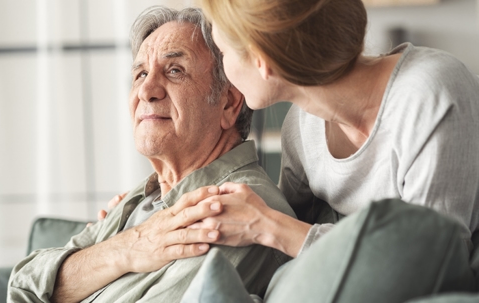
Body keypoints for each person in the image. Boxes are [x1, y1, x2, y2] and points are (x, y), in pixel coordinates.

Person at [144, 0, 478, 302]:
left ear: (261, 61)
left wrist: (268, 225)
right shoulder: (302, 128)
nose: (225, 72)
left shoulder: (431, 94)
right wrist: (146, 206)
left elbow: (441, 257)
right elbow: (288, 238)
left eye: (223, 52)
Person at [7, 6, 296, 303]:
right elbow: (22, 286)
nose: (146, 90)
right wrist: (127, 247)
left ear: (228, 103)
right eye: (141, 73)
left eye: (174, 71)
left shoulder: (236, 211)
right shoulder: (142, 199)